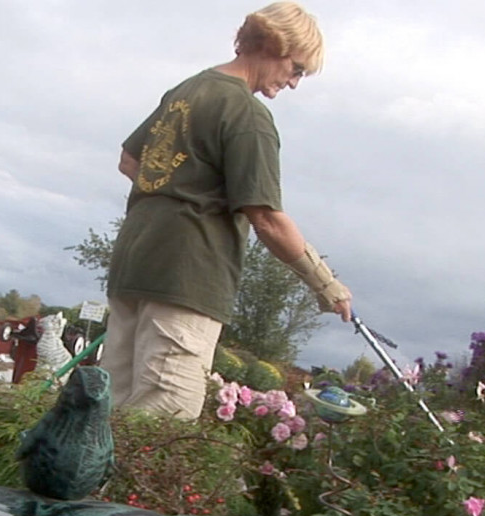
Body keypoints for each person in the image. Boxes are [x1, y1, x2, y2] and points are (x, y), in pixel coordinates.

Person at [101, 1, 353, 420]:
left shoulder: (187, 91)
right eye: (297, 70)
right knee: (164, 420)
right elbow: (268, 218)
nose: (294, 84)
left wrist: (175, 190)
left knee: (110, 411)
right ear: (275, 45)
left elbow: (130, 161)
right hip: (188, 274)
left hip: (135, 264)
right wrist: (326, 285)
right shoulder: (247, 114)